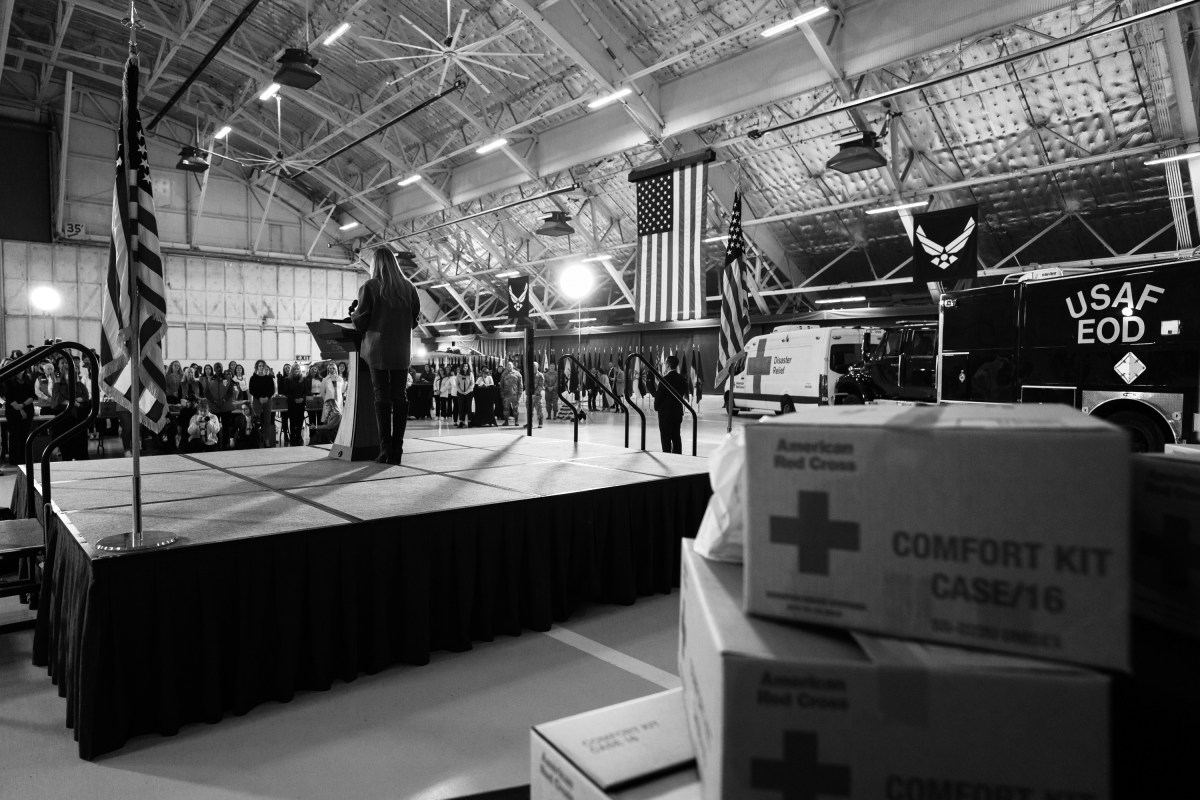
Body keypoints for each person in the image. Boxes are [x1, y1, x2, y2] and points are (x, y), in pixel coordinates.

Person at [350, 248, 421, 463]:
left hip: (377, 350)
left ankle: (385, 450)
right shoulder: (409, 287)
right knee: (400, 397)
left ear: (376, 264)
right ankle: (397, 451)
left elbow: (361, 321)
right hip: (401, 350)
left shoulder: (371, 287)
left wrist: (353, 313)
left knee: (381, 396)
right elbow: (414, 320)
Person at [654, 355, 688, 454]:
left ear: (668, 365)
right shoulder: (682, 379)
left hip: (665, 413)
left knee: (666, 438)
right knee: (676, 437)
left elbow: (659, 396)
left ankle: (667, 456)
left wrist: (656, 407)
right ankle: (677, 457)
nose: (664, 365)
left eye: (664, 363)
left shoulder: (664, 379)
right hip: (677, 412)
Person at [4, 366, 36, 465]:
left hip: (27, 408)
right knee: (14, 435)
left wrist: (23, 405)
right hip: (13, 410)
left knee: (25, 434)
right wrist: (20, 409)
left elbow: (32, 395)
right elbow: (9, 396)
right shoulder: (8, 381)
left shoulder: (28, 379)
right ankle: (14, 459)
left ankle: (24, 458)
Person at [248, 359, 276, 447]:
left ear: (265, 367)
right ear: (257, 367)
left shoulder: (269, 378)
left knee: (267, 421)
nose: (261, 367)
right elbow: (251, 390)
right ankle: (257, 440)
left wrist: (267, 397)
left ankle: (267, 440)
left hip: (268, 400)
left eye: (263, 366)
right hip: (257, 400)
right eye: (259, 366)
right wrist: (259, 397)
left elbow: (272, 390)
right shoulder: (253, 378)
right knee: (256, 421)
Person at [285, 362, 308, 445]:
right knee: (292, 421)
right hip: (292, 403)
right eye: (294, 369)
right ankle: (292, 438)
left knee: (300, 421)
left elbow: (306, 392)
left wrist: (302, 399)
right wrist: (294, 399)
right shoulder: (288, 380)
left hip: (301, 403)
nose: (296, 370)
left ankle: (298, 437)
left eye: (298, 368)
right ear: (292, 370)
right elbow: (287, 393)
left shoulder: (304, 379)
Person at [500, 362, 523, 426]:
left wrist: (519, 394)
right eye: (507, 365)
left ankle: (516, 421)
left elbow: (520, 385)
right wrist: (502, 393)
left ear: (513, 366)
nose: (509, 366)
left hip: (514, 394)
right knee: (505, 409)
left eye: (510, 365)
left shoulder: (518, 374)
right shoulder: (503, 374)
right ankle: (506, 421)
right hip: (506, 395)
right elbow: (501, 385)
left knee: (515, 408)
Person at [454, 364, 473, 428]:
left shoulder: (470, 374)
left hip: (469, 393)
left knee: (469, 407)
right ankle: (461, 422)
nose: (465, 367)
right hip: (460, 393)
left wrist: (467, 391)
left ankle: (469, 422)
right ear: (462, 367)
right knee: (461, 407)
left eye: (467, 366)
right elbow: (457, 384)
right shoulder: (459, 374)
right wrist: (461, 391)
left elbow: (472, 384)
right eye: (464, 366)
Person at [531, 361, 545, 428]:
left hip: (537, 396)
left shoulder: (540, 375)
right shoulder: (529, 374)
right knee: (529, 410)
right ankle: (530, 423)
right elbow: (526, 384)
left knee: (539, 409)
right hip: (530, 395)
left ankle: (540, 422)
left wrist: (535, 393)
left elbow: (541, 385)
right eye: (533, 366)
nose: (534, 367)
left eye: (535, 366)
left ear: (537, 367)